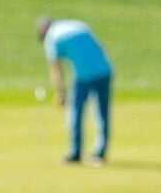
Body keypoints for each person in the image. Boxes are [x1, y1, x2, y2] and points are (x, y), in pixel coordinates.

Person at [37, 17, 113, 163]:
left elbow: (56, 69)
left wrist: (61, 93)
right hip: (105, 70)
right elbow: (99, 47)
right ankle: (100, 152)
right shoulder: (77, 25)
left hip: (84, 76)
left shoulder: (51, 37)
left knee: (76, 112)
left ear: (43, 31)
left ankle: (76, 152)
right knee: (102, 112)